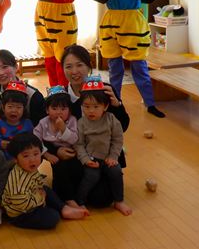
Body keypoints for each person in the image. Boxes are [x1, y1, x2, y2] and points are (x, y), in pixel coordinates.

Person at [91, 0, 165, 118]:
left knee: (139, 65)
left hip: (132, 22)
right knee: (114, 67)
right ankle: (115, 103)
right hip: (112, 23)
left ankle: (150, 103)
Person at [57, 44, 131, 208]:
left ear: (89, 66)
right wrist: (57, 150)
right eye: (68, 66)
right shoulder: (61, 97)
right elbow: (48, 131)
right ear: (62, 69)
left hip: (103, 155)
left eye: (79, 65)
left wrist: (117, 105)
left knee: (101, 200)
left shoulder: (104, 90)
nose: (74, 71)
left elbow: (123, 127)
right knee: (66, 190)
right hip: (76, 156)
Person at [2, 133, 88, 230]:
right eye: (26, 156)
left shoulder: (28, 168)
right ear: (16, 160)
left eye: (36, 154)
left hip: (32, 197)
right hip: (20, 212)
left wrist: (41, 192)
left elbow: (37, 181)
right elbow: (21, 203)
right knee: (53, 217)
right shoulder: (19, 179)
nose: (32, 160)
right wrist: (40, 198)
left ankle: (64, 208)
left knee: (46, 189)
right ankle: (57, 209)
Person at [75, 77, 129, 215]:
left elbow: (117, 140)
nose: (91, 111)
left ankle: (119, 200)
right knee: (90, 176)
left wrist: (113, 156)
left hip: (108, 158)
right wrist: (85, 159)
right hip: (91, 159)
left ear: (105, 106)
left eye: (96, 106)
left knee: (116, 172)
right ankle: (80, 201)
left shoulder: (111, 119)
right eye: (86, 106)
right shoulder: (81, 123)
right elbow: (79, 144)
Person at [33, 86, 79, 206]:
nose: (59, 112)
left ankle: (74, 194)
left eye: (63, 108)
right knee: (59, 169)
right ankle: (66, 198)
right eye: (54, 108)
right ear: (47, 110)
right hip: (53, 153)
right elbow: (35, 140)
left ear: (69, 110)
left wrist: (63, 128)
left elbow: (75, 139)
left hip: (72, 151)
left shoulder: (72, 121)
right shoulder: (44, 122)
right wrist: (47, 154)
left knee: (75, 170)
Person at [0, 49, 46, 126]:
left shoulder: (33, 96)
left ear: (16, 67)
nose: (1, 73)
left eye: (5, 67)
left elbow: (41, 126)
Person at [0, 81, 35, 160]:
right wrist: (1, 143)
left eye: (18, 107)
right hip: (4, 161)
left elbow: (33, 141)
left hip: (24, 161)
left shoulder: (28, 124)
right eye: (10, 106)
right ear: (3, 108)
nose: (14, 110)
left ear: (24, 109)